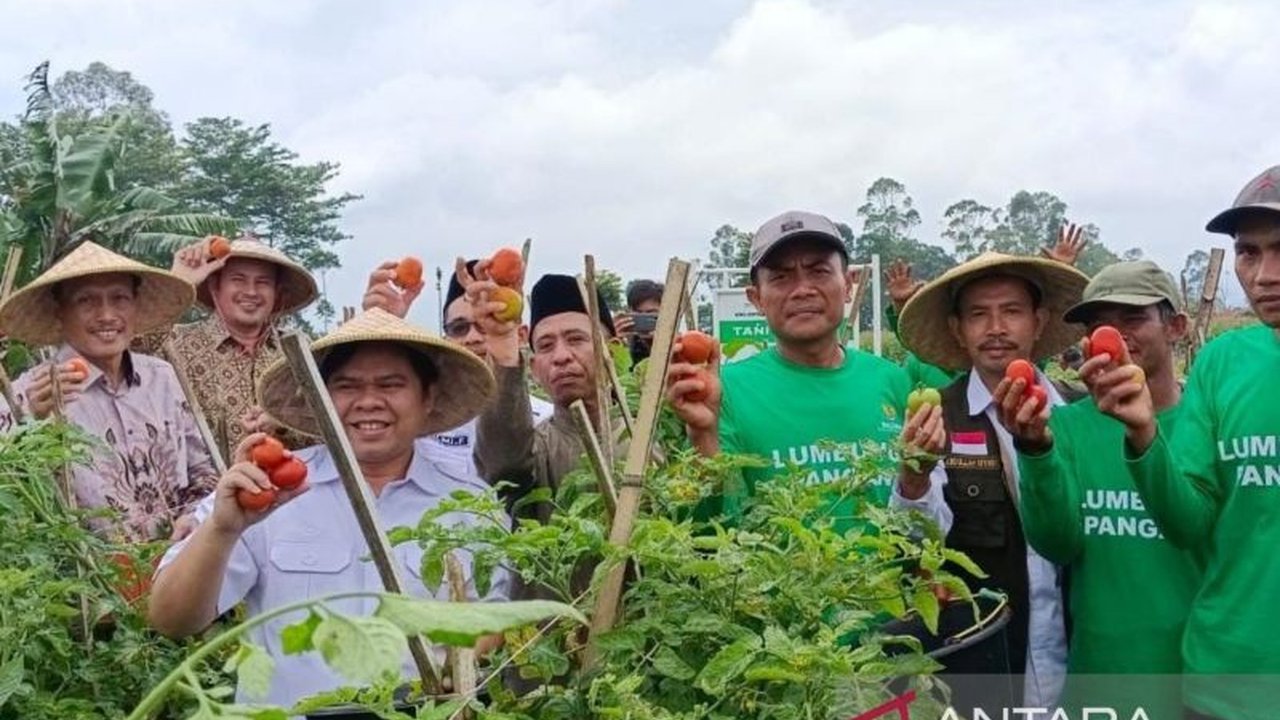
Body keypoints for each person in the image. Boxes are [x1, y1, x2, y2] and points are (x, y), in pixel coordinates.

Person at [148, 308, 509, 707]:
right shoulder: (266, 490)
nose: (369, 402)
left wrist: (463, 662)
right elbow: (171, 619)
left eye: (391, 384)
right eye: (347, 386)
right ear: (318, 398)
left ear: (429, 398)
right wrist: (222, 529)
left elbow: (493, 617)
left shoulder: (469, 504)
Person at [1084, 166, 1280, 720]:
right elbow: (1189, 522)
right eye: (1248, 252)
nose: (1265, 275)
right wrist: (1144, 434)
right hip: (1227, 682)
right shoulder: (1224, 363)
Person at [993, 261, 1201, 718]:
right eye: (1100, 324)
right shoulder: (1066, 426)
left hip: (1199, 685)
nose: (1115, 336)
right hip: (1098, 685)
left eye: (1133, 319)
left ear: (1177, 327)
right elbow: (1057, 543)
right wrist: (1035, 450)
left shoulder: (1209, 422)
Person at [664, 210, 950, 533]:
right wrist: (703, 438)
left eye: (819, 271)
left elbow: (929, 532)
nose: (803, 289)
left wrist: (916, 481)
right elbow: (710, 530)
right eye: (781, 277)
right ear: (756, 298)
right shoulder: (724, 391)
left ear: (848, 285)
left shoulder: (893, 380)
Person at [897, 251, 1089, 708]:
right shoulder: (936, 417)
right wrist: (914, 478)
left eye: (1012, 312)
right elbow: (914, 543)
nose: (996, 328)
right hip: (985, 659)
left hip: (1079, 655)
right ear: (956, 330)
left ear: (1039, 321)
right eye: (979, 314)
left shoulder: (1081, 413)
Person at [1, 241, 217, 542]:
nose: (106, 315)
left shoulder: (162, 378)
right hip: (87, 580)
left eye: (120, 298)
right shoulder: (28, 395)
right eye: (86, 301)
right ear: (59, 312)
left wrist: (193, 516)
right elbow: (11, 490)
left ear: (136, 305)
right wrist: (30, 424)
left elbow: (202, 469)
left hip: (176, 567)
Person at [459, 261, 621, 525]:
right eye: (546, 346)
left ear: (612, 352)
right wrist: (502, 348)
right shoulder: (535, 448)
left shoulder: (652, 436)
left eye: (576, 339)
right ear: (534, 368)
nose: (560, 357)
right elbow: (504, 466)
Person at [362, 258, 553, 474]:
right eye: (459, 328)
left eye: (485, 324)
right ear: (446, 340)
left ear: (519, 336)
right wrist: (378, 334)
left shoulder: (545, 420)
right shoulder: (418, 419)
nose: (472, 338)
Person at [142, 235, 320, 458]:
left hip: (295, 487)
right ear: (215, 287)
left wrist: (283, 422)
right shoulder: (174, 343)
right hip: (206, 490)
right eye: (238, 279)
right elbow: (127, 349)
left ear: (276, 293)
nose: (251, 292)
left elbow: (330, 426)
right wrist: (179, 283)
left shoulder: (298, 354)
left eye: (263, 282)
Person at [617, 279, 663, 365]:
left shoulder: (677, 345)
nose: (643, 319)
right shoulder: (625, 344)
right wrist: (615, 344)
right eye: (638, 313)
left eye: (650, 313)